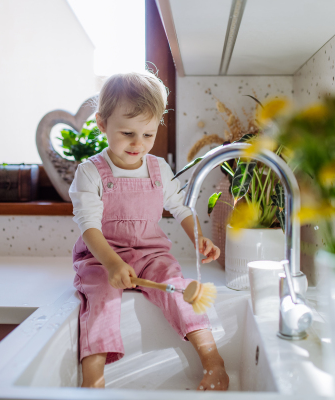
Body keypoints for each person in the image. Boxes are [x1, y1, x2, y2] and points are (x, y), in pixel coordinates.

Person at [69, 70, 229, 391]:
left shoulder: (159, 169)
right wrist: (113, 264)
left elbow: (181, 208)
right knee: (100, 300)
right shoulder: (91, 173)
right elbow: (88, 226)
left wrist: (199, 238)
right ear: (102, 124)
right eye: (127, 133)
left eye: (148, 134)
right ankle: (93, 381)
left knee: (179, 292)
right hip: (103, 258)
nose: (137, 144)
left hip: (151, 255)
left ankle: (214, 363)